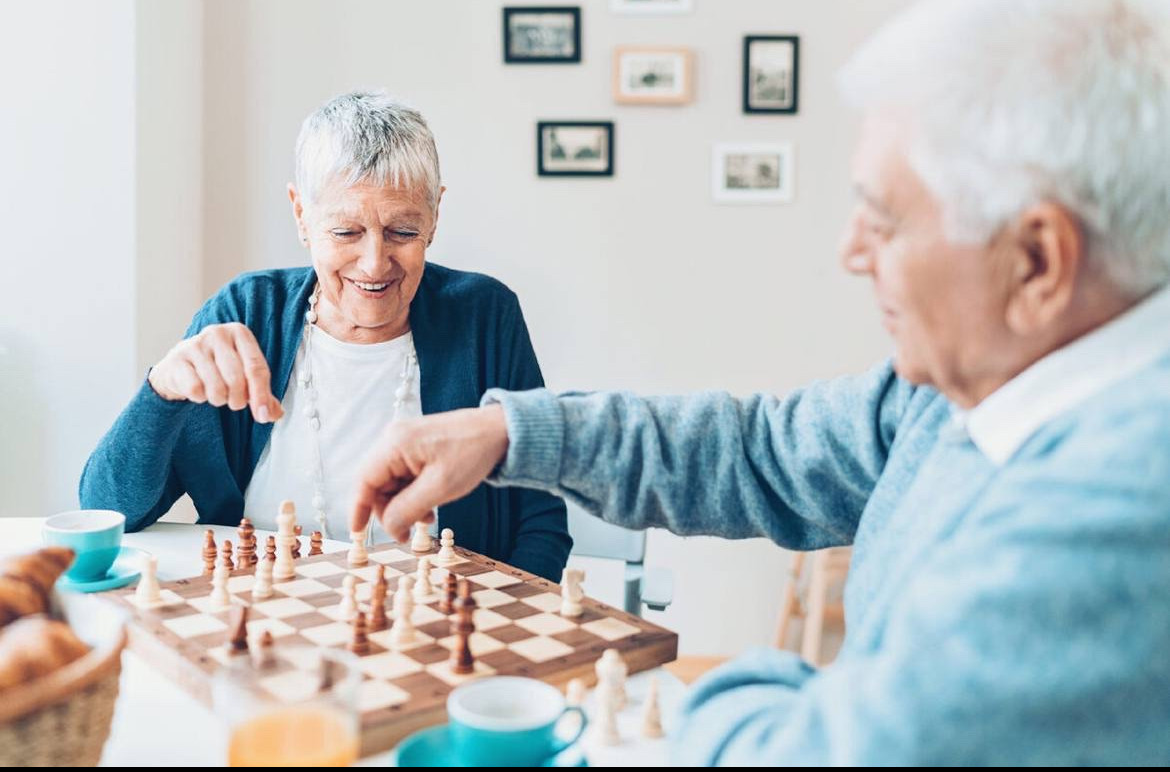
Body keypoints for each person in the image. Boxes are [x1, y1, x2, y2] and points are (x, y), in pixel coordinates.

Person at [348, 1, 1170, 763]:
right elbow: (763, 450)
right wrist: (509, 433)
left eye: (883, 220)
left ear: (1037, 264)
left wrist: (761, 676)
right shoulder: (967, 390)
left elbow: (794, 752)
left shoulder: (1116, 513)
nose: (852, 251)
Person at [80, 91, 571, 582]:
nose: (375, 263)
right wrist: (161, 391)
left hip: (435, 636)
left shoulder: (485, 316)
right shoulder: (247, 312)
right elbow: (111, 510)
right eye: (346, 232)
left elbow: (541, 521)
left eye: (402, 231)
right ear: (301, 214)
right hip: (264, 625)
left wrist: (493, 630)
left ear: (435, 216)